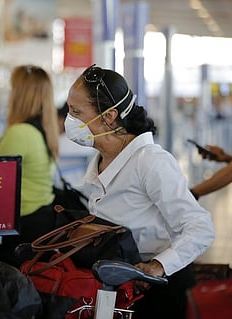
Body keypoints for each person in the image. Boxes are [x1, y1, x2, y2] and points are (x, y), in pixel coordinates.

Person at [64, 64, 214, 319]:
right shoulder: (103, 159)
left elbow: (200, 228)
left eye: (76, 112)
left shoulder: (151, 161)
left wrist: (157, 266)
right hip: (118, 285)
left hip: (157, 291)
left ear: (109, 116)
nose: (70, 120)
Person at [0, 64, 59, 268]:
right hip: (41, 221)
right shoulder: (44, 130)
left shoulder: (20, 132)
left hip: (22, 226)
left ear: (20, 94)